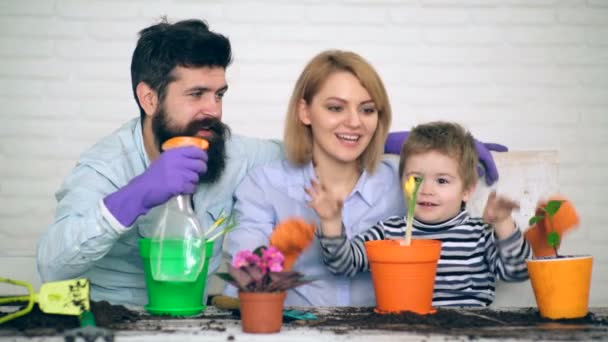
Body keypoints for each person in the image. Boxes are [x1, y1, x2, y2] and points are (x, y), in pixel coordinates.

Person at [224, 51, 506, 306]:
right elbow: (246, 275)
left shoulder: (406, 185)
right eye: (336, 108)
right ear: (305, 112)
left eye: (367, 109)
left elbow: (455, 245)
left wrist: (451, 153)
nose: (355, 122)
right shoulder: (265, 185)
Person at [36, 18, 282, 306]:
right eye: (196, 94)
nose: (213, 110)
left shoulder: (232, 153)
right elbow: (51, 266)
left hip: (196, 324)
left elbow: (301, 156)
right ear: (149, 99)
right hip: (115, 322)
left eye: (219, 94)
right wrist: (135, 195)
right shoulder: (105, 166)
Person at [312, 121, 531, 307]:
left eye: (442, 181)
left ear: (467, 190)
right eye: (415, 179)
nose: (426, 190)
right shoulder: (388, 232)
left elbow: (518, 271)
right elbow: (343, 265)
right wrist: (331, 223)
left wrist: (503, 224)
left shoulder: (479, 235)